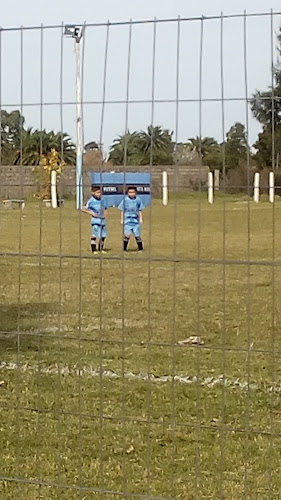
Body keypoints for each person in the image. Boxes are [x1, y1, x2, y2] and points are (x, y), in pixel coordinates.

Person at [118, 186, 144, 252]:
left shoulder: (138, 200)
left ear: (136, 192)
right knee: (127, 235)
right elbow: (122, 210)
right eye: (130, 192)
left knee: (137, 235)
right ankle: (124, 249)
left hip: (135, 221)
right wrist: (122, 219)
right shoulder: (125, 200)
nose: (131, 194)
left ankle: (140, 248)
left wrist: (140, 219)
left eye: (133, 192)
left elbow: (139, 210)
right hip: (127, 221)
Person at [82, 185, 107, 254]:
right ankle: (94, 249)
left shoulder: (103, 200)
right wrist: (91, 213)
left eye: (100, 192)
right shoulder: (91, 201)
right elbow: (83, 209)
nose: (99, 194)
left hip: (102, 220)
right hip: (95, 221)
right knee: (95, 235)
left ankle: (100, 248)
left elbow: (105, 208)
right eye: (97, 192)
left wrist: (104, 214)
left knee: (103, 235)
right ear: (93, 193)